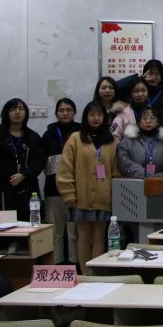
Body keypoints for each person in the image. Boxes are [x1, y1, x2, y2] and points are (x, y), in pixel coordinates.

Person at [57, 102, 121, 273]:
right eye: (92, 114)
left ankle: (96, 274)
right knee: (83, 236)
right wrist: (68, 193)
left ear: (104, 118)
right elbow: (65, 168)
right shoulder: (75, 138)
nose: (95, 118)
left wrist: (115, 196)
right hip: (81, 196)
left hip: (104, 197)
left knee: (100, 236)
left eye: (99, 115)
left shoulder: (111, 141)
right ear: (86, 117)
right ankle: (85, 273)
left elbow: (116, 171)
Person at [0, 98, 44, 220]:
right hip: (4, 191)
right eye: (13, 109)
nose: (17, 112)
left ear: (26, 113)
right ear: (6, 113)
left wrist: (24, 175)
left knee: (29, 226)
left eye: (21, 109)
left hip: (28, 190)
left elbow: (39, 161)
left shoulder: (33, 137)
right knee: (5, 227)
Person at [41, 98, 80, 264]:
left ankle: (75, 264)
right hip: (53, 188)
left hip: (76, 189)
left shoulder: (81, 132)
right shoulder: (48, 134)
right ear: (56, 113)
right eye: (61, 110)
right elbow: (42, 161)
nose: (65, 113)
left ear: (74, 112)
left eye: (68, 110)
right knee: (55, 231)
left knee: (74, 232)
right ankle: (56, 264)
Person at [117, 106, 163, 178]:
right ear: (139, 122)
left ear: (158, 122)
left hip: (162, 181)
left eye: (152, 118)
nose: (148, 121)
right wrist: (143, 174)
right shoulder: (128, 140)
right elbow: (123, 161)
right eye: (144, 118)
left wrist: (161, 176)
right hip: (135, 181)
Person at [109, 77, 150, 142]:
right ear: (130, 93)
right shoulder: (122, 114)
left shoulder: (153, 111)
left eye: (143, 90)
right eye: (136, 91)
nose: (140, 94)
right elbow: (113, 136)